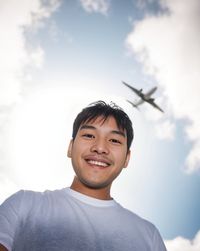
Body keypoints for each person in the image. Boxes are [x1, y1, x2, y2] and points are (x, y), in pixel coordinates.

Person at [0, 101, 167, 251]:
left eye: (114, 140)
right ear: (70, 148)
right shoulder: (23, 205)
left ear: (127, 159)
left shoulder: (149, 236)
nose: (100, 147)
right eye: (89, 135)